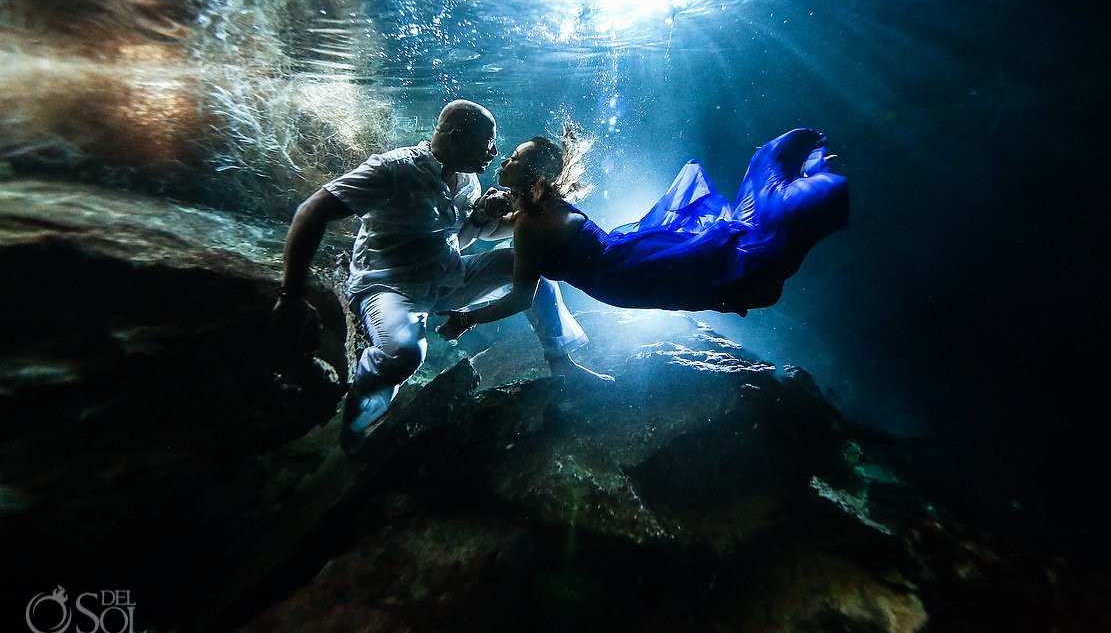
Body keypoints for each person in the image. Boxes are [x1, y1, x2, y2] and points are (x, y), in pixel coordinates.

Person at [272, 99, 603, 454]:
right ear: (457, 137)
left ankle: (560, 361)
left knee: (533, 270)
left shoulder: (468, 180)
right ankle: (358, 415)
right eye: (487, 142)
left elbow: (463, 236)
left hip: (450, 275)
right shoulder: (393, 170)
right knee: (404, 354)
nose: (494, 153)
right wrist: (291, 294)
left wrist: (488, 218)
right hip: (391, 286)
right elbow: (311, 211)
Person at [435, 125, 849, 341]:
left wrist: (468, 320)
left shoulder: (530, 223)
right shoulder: (537, 210)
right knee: (728, 262)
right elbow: (500, 231)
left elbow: (522, 295)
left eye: (512, 158)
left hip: (623, 273)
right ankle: (799, 187)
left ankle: (796, 205)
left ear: (532, 175)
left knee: (733, 265)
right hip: (627, 257)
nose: (503, 161)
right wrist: (484, 212)